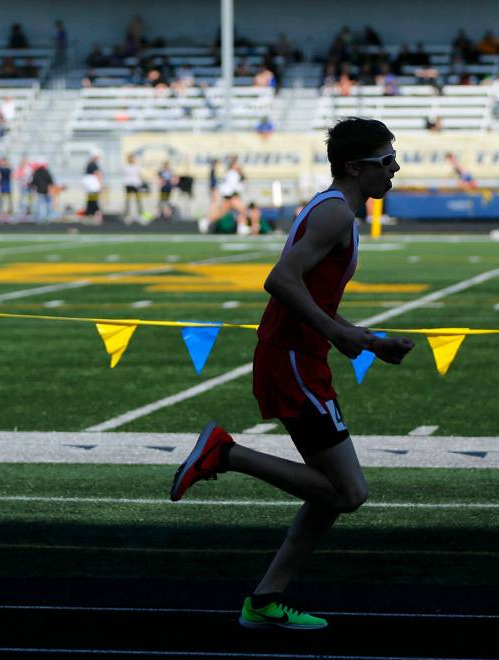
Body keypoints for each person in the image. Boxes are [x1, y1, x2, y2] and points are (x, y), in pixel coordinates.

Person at [171, 118, 414, 629]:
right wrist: (340, 334)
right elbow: (279, 281)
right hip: (293, 360)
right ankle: (226, 453)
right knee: (348, 493)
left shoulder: (334, 211)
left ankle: (265, 600)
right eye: (386, 161)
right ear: (355, 167)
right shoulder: (333, 216)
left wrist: (364, 339)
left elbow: (313, 297)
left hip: (299, 356)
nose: (394, 170)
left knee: (326, 494)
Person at [201, 155, 248, 234]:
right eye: (237, 165)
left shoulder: (231, 173)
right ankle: (242, 227)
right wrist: (242, 186)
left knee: (221, 213)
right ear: (233, 166)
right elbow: (234, 186)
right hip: (231, 196)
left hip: (228, 196)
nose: (238, 166)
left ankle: (206, 221)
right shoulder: (233, 173)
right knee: (243, 209)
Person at [122, 153, 145, 223]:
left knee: (138, 200)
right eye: (130, 158)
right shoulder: (125, 166)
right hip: (128, 184)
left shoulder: (137, 166)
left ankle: (140, 215)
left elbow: (140, 175)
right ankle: (127, 215)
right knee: (127, 201)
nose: (132, 159)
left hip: (136, 184)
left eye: (132, 158)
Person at [83, 151, 103, 221]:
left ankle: (91, 213)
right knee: (93, 200)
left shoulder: (90, 164)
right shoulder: (93, 164)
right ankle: (95, 214)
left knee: (91, 200)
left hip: (91, 187)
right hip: (92, 186)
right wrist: (100, 185)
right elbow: (98, 174)